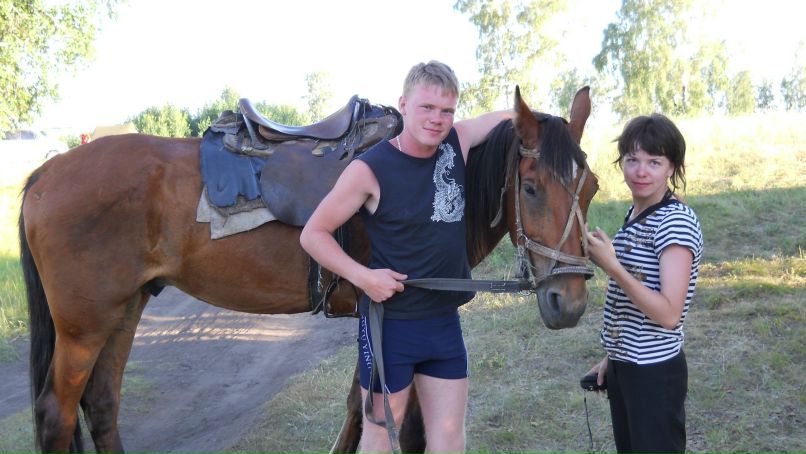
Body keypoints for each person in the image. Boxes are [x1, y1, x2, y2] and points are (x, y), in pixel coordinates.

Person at [300, 61, 512, 453]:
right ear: (403, 104)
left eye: (447, 110)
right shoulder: (371, 168)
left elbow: (507, 116)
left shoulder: (457, 143)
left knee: (449, 437)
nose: (437, 119)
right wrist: (363, 278)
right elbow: (313, 234)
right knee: (380, 435)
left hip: (444, 323)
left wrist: (548, 122)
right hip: (391, 328)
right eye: (427, 108)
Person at [584, 113, 704, 454]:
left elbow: (669, 315)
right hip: (629, 366)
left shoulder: (674, 222)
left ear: (671, 167)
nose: (640, 171)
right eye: (632, 160)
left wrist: (613, 267)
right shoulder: (637, 213)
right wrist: (613, 358)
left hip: (654, 373)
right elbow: (632, 303)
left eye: (654, 161)